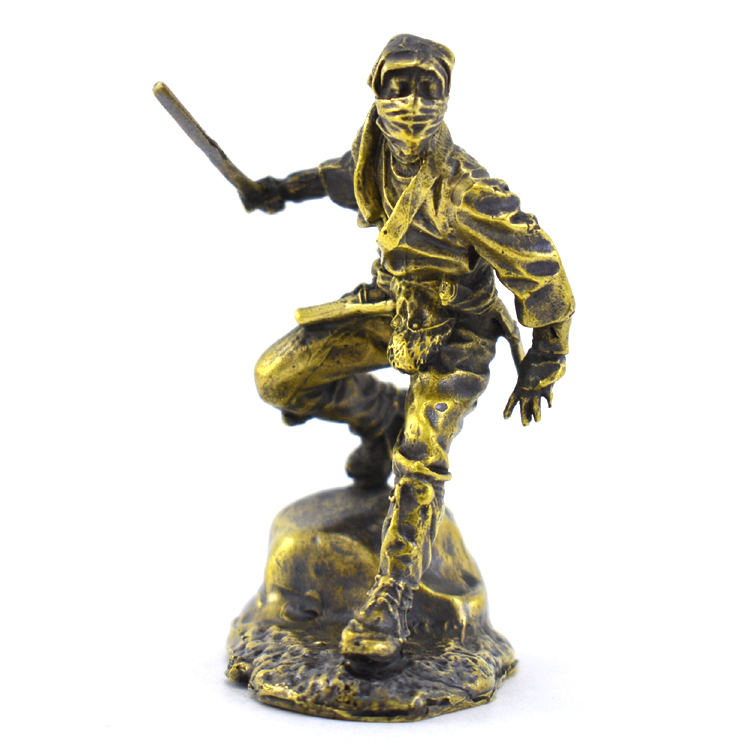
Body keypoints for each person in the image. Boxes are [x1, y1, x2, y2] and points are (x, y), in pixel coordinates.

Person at [250, 34, 575, 666]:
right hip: (389, 306)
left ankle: (391, 597)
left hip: (457, 331)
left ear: (446, 98)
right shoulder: (373, 154)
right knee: (278, 377)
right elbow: (338, 177)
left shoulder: (470, 190)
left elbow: (544, 275)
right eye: (398, 87)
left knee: (421, 459)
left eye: (429, 90)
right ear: (376, 91)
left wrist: (545, 360)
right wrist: (277, 190)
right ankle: (381, 418)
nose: (412, 103)